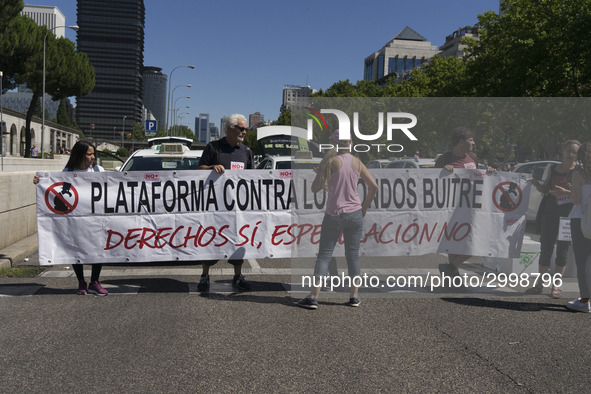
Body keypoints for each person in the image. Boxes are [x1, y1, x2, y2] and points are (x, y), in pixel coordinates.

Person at [297, 130, 378, 309]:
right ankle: (354, 296)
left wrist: (322, 173)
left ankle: (313, 297)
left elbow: (314, 188)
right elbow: (373, 186)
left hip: (334, 214)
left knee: (324, 255)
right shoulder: (357, 162)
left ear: (334, 143)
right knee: (353, 255)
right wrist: (363, 208)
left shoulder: (331, 161)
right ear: (350, 142)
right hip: (355, 213)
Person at [33, 140, 108, 296]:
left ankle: (95, 281)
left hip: (95, 219)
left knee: (97, 248)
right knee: (75, 249)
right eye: (89, 154)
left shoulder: (98, 170)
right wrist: (40, 183)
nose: (93, 157)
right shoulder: (66, 172)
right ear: (80, 155)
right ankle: (81, 281)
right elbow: (56, 189)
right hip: (75, 220)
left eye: (94, 154)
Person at [196, 113, 253, 292]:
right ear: (230, 128)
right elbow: (199, 169)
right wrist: (212, 167)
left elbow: (253, 178)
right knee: (211, 241)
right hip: (215, 207)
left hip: (238, 208)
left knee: (238, 242)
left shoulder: (247, 151)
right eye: (241, 128)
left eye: (245, 129)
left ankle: (237, 276)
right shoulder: (213, 147)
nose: (244, 131)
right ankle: (204, 276)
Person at [434, 127, 495, 278]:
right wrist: (443, 171)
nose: (473, 143)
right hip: (451, 208)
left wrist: (489, 171)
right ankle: (453, 274)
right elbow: (432, 181)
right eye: (471, 140)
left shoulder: (473, 158)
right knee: (453, 242)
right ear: (461, 142)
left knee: (476, 242)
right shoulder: (444, 159)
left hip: (470, 208)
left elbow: (478, 179)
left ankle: (451, 266)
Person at [526, 140, 580, 297]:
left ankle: (556, 286)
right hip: (550, 213)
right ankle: (539, 284)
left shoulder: (579, 172)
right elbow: (545, 189)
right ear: (562, 151)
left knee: (562, 250)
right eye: (568, 150)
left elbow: (581, 196)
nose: (570, 154)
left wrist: (566, 193)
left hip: (568, 216)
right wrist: (536, 183)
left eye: (574, 152)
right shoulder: (553, 168)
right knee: (546, 248)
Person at [566, 142, 591, 312]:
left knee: (582, 261)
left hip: (581, 219)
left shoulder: (579, 173)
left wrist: (566, 191)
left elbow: (575, 200)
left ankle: (584, 300)